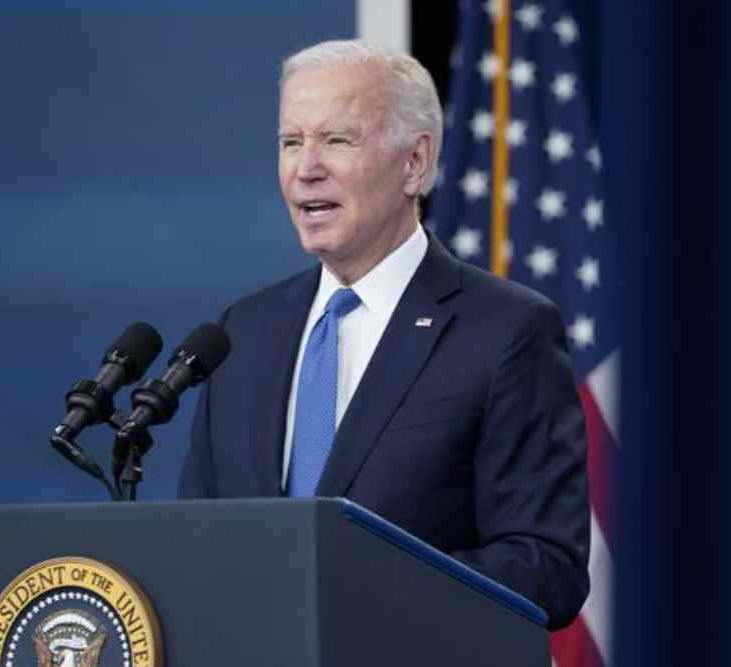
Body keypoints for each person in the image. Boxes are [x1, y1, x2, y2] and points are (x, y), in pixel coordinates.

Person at [177, 40, 589, 629]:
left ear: (414, 163)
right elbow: (197, 543)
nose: (305, 167)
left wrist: (359, 595)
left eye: (337, 140)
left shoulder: (506, 331)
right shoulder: (243, 331)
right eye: (291, 142)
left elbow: (545, 566)